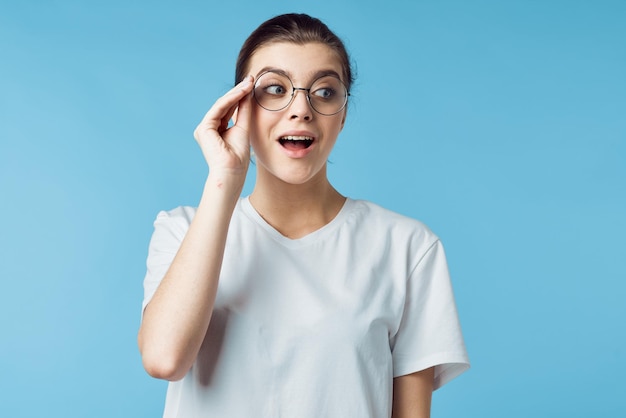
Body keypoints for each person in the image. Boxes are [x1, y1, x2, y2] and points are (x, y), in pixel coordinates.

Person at [138, 13, 469, 418]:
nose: (301, 109)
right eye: (275, 89)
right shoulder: (183, 230)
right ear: (240, 109)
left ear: (343, 114)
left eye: (325, 92)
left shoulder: (408, 247)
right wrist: (224, 180)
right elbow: (163, 360)